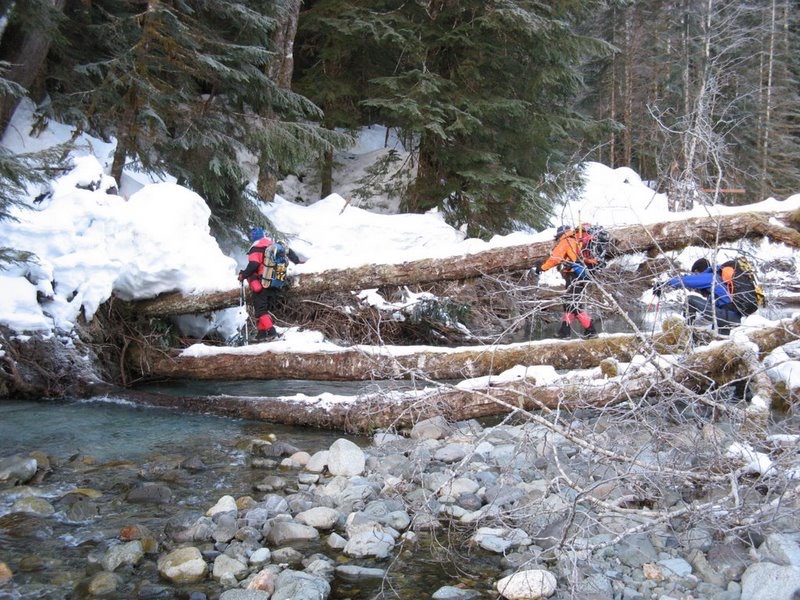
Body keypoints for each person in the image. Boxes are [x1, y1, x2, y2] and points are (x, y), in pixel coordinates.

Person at [533, 225, 598, 339]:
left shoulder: (566, 241)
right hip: (582, 274)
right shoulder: (578, 240)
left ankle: (591, 331)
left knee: (573, 304)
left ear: (560, 235)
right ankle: (564, 332)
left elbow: (555, 258)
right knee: (569, 303)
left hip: (574, 275)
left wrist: (542, 268)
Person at [237, 227, 303, 342]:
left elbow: (254, 265)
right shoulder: (272, 245)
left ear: (253, 237)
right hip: (276, 281)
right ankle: (261, 334)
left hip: (263, 282)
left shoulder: (255, 248)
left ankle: (272, 332)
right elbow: (288, 251)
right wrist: (297, 261)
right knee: (263, 308)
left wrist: (243, 274)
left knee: (260, 310)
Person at [652, 257, 742, 335]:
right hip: (731, 317)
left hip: (727, 315)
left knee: (690, 300)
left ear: (697, 271)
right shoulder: (718, 281)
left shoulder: (710, 277)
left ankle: (686, 334)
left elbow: (686, 281)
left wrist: (665, 284)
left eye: (695, 274)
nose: (694, 276)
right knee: (719, 340)